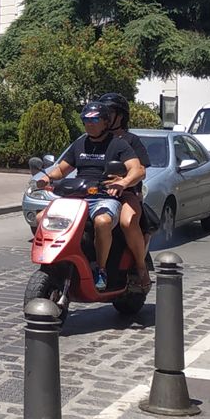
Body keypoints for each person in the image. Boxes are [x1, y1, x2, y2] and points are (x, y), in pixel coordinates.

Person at [37, 99, 147, 293]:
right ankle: (58, 258)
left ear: (105, 122)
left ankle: (101, 269)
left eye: (95, 120)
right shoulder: (80, 143)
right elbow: (61, 170)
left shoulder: (119, 144)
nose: (90, 124)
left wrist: (121, 182)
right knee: (41, 218)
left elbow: (137, 170)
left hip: (104, 196)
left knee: (103, 221)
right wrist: (46, 177)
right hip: (77, 196)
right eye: (86, 120)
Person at [98, 92, 153, 293]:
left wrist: (124, 182)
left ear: (120, 116)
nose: (103, 117)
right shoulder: (94, 139)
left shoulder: (131, 140)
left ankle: (140, 266)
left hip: (126, 193)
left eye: (109, 112)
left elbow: (141, 170)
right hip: (96, 193)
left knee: (127, 222)